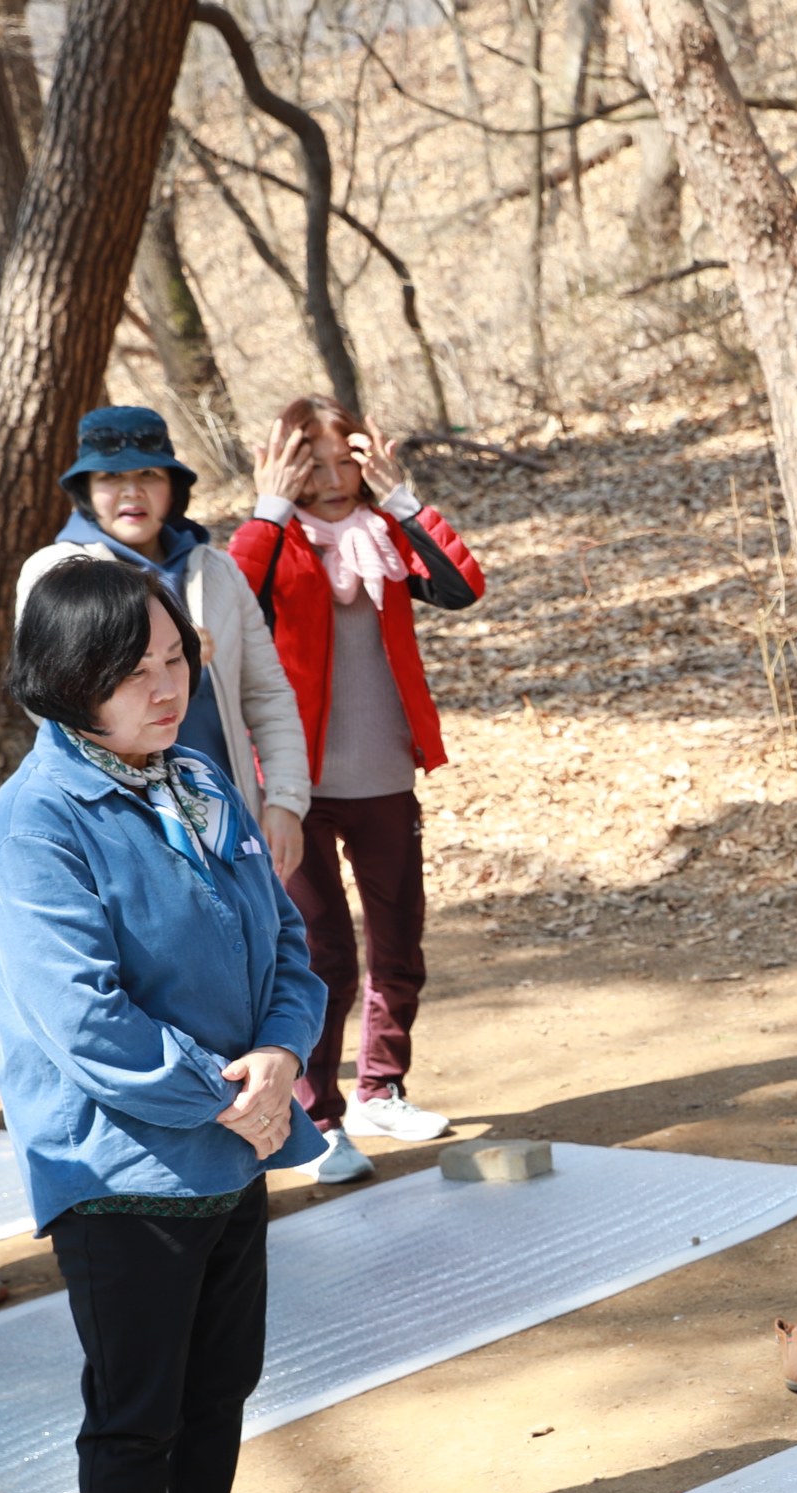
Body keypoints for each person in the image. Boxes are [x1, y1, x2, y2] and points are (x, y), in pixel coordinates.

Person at [0, 559, 331, 1493]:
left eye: (178, 661)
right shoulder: (35, 823)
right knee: (138, 1407)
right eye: (135, 672)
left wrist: (281, 1055)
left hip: (230, 1139)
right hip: (119, 1164)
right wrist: (226, 1092)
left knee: (221, 1380)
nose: (166, 688)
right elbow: (83, 1017)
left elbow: (286, 943)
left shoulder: (201, 781)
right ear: (70, 678)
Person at [228, 396, 485, 1177]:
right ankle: (318, 1117)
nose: (335, 479)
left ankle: (382, 1086)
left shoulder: (387, 536)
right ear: (286, 467)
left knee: (399, 942)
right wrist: (270, 508)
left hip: (385, 774)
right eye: (315, 464)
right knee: (324, 956)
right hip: (293, 787)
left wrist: (401, 496)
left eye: (349, 460)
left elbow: (462, 586)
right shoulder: (275, 540)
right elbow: (230, 603)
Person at [14, 405, 310, 870]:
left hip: (228, 815)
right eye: (110, 477)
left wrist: (286, 801)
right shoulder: (56, 572)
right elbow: (44, 698)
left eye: (149, 474)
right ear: (86, 490)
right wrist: (161, 657)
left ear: (174, 487)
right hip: (119, 822)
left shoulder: (218, 570)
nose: (131, 491)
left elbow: (267, 692)